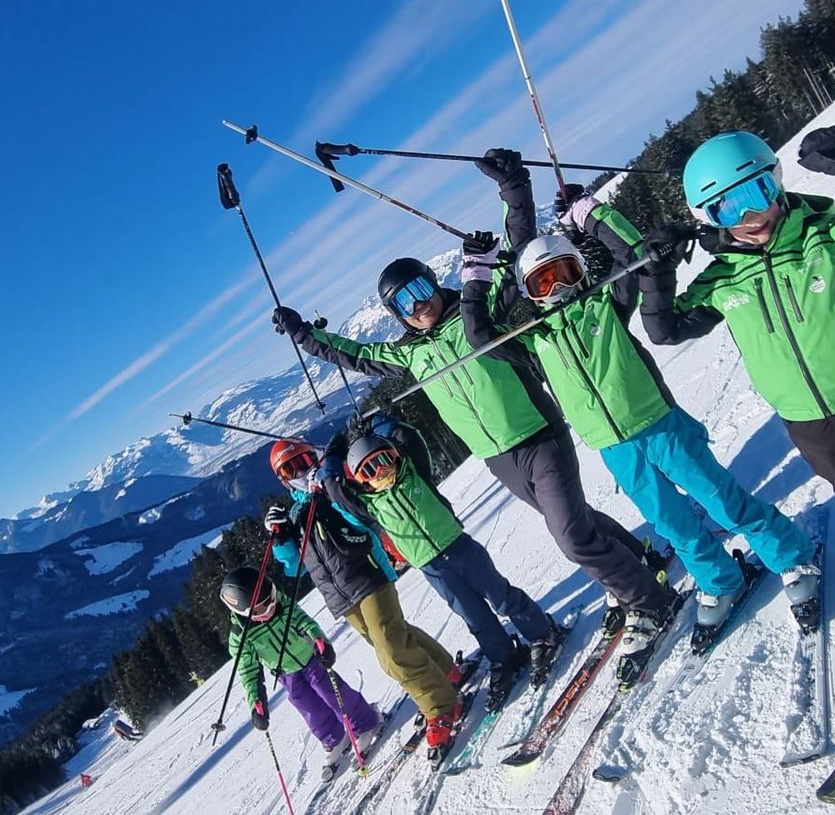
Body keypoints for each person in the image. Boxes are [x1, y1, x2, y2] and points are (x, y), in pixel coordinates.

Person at [269, 166, 671, 646]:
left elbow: (517, 251)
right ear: (395, 315)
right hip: (497, 456)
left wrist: (514, 190)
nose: (419, 307)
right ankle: (635, 560)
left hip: (539, 435)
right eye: (404, 305)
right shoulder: (407, 355)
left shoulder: (474, 315)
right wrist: (302, 334)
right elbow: (348, 354)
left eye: (421, 291)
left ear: (434, 283)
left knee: (570, 538)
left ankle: (648, 600)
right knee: (574, 521)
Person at [461, 148, 818, 665]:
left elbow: (640, 254)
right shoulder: (533, 339)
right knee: (669, 520)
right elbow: (477, 334)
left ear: (582, 269)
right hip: (614, 448)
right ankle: (719, 577)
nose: (557, 286)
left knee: (721, 498)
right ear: (530, 295)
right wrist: (476, 278)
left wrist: (592, 214)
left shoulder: (606, 302)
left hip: (660, 424)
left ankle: (789, 557)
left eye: (564, 271)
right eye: (543, 282)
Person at [639, 127, 835, 528]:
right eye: (728, 209)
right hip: (810, 424)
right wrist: (656, 272)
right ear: (707, 218)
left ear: (776, 183)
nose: (750, 218)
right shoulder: (722, 280)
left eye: (755, 195)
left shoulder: (829, 238)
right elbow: (665, 329)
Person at [321, 417, 566, 707]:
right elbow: (336, 492)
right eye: (371, 469)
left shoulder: (414, 473)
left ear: (394, 454)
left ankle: (542, 632)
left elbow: (407, 435)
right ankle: (504, 656)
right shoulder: (371, 505)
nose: (382, 470)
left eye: (384, 458)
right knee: (473, 615)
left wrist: (379, 423)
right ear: (361, 480)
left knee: (500, 595)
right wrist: (331, 459)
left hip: (459, 546)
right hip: (431, 567)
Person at [263, 439, 464, 763]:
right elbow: (295, 566)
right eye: (290, 469)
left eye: (302, 461)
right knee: (395, 637)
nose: (300, 471)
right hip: (340, 596)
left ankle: (441, 705)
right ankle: (447, 671)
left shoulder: (331, 487)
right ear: (283, 479)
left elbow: (364, 520)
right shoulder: (295, 512)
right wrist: (282, 538)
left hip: (368, 577)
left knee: (391, 653)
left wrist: (329, 494)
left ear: (312, 456)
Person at [219, 566, 380, 783]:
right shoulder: (240, 637)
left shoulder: (282, 605)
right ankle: (335, 739)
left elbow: (304, 622)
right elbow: (248, 671)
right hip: (286, 673)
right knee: (309, 709)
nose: (270, 608)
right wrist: (256, 702)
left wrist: (319, 641)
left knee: (333, 693)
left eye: (271, 598)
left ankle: (366, 722)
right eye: (261, 608)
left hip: (311, 658)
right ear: (244, 612)